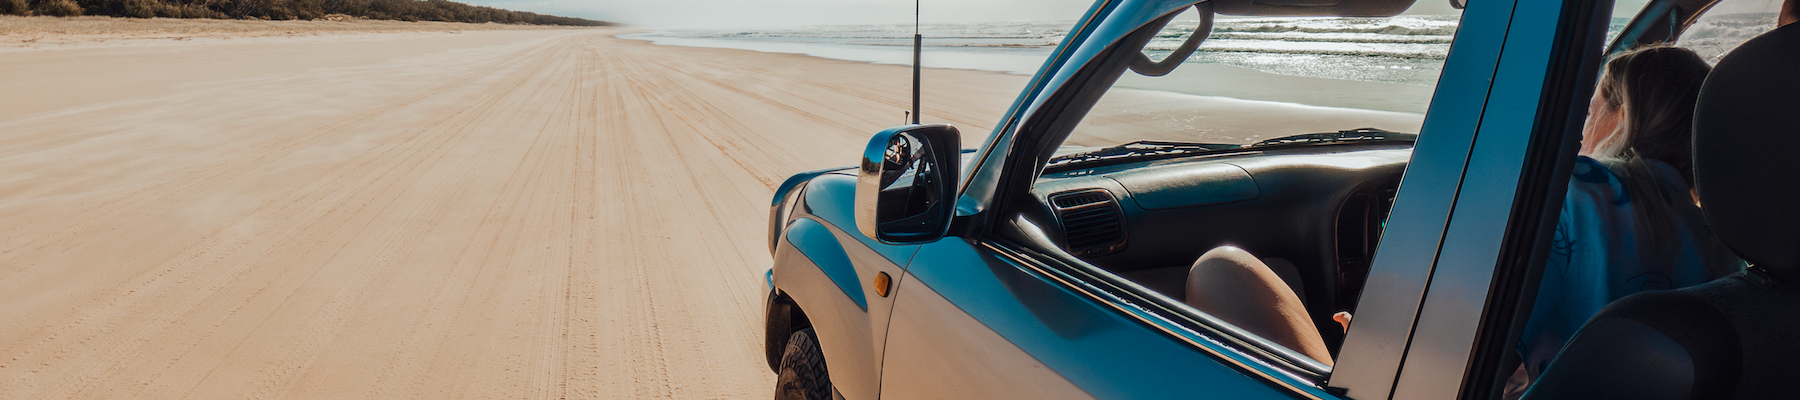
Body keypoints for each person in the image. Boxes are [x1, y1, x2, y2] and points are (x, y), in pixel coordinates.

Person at [1181, 46, 1742, 370]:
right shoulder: (1725, 234)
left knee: (1223, 270)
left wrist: (1379, 346)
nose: (1579, 130)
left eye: (1592, 109)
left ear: (1623, 118)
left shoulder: (1573, 193)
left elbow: (1474, 361)